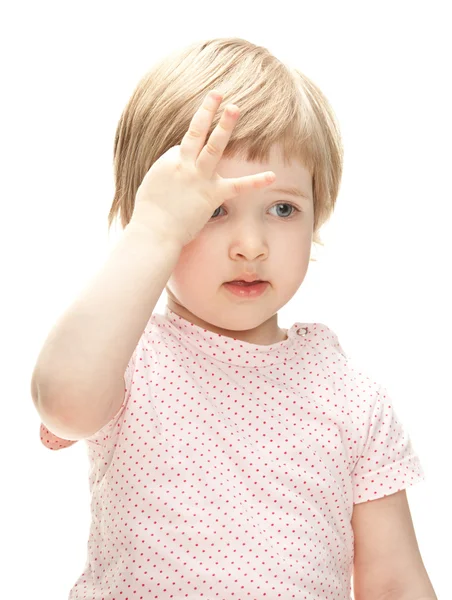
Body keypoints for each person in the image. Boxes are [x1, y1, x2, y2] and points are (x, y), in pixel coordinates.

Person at [31, 37, 429, 599]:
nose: (251, 245)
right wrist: (154, 234)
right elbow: (63, 404)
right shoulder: (124, 355)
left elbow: (394, 582)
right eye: (212, 209)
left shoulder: (350, 398)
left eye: (283, 209)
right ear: (146, 213)